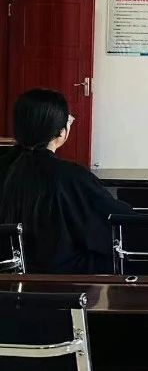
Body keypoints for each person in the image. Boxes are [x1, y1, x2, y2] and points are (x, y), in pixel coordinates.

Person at [0, 89, 133, 274]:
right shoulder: (71, 176)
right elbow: (115, 221)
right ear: (61, 132)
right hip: (60, 278)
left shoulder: (8, 167)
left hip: (8, 275)